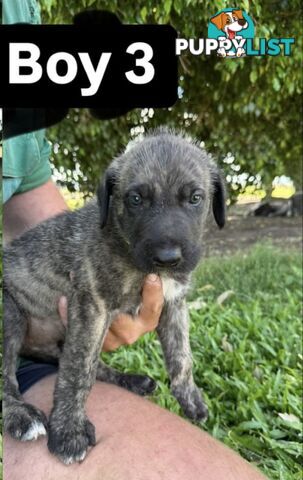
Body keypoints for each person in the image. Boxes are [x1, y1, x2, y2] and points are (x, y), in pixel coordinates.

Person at [3, 1, 267, 479]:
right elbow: (89, 311)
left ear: (216, 201)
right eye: (138, 201)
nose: (167, 242)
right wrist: (70, 412)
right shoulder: (105, 245)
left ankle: (141, 383)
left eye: (191, 200)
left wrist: (183, 380)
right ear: (111, 200)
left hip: (46, 346)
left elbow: (172, 304)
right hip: (17, 314)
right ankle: (10, 399)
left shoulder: (20, 19)